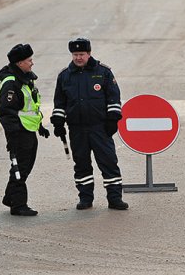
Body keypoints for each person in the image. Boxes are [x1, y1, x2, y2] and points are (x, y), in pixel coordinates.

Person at [51, 38, 128, 211]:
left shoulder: (103, 72)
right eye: (75, 54)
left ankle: (115, 198)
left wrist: (112, 120)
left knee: (108, 163)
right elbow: (60, 102)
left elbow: (113, 98)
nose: (78, 58)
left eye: (82, 54)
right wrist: (58, 121)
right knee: (81, 164)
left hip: (100, 128)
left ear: (89, 53)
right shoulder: (65, 75)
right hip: (77, 129)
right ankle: (85, 198)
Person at [0, 44, 50, 216]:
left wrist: (39, 125)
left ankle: (10, 197)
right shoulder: (11, 84)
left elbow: (30, 107)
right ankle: (18, 204)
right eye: (29, 60)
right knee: (21, 167)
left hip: (28, 129)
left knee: (26, 165)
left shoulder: (25, 79)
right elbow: (6, 112)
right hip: (19, 132)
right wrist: (12, 135)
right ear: (19, 63)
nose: (32, 63)